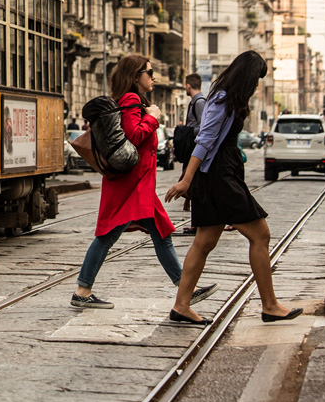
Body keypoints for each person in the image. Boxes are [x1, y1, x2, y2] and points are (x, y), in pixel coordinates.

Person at [71, 54, 217, 311]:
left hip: (138, 185)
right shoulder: (131, 99)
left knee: (160, 234)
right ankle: (83, 289)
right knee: (109, 235)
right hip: (131, 185)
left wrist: (149, 114)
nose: (153, 77)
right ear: (135, 75)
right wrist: (152, 117)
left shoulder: (135, 100)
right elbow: (133, 135)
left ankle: (186, 288)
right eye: (149, 72)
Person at [165, 50, 302, 325]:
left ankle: (181, 306)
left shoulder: (230, 98)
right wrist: (186, 180)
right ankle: (270, 305)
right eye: (256, 79)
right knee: (260, 234)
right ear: (247, 76)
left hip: (222, 173)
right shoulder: (221, 99)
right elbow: (203, 141)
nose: (257, 85)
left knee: (204, 241)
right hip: (219, 176)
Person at [176, 73, 206, 236]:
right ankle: (197, 223)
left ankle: (198, 224)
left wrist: (187, 132)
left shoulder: (199, 103)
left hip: (196, 149)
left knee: (195, 186)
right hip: (192, 149)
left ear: (188, 86)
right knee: (193, 186)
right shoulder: (195, 102)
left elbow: (204, 128)